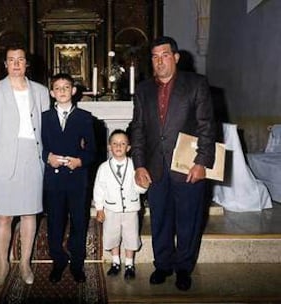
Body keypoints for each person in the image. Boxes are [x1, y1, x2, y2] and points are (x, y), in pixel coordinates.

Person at [130, 36, 216, 291]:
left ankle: (184, 267)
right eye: (155, 57)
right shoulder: (143, 90)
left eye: (165, 55)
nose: (159, 61)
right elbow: (138, 129)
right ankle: (163, 264)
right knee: (160, 218)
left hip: (187, 166)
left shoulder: (196, 84)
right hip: (155, 166)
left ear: (176, 57)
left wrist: (202, 162)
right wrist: (139, 164)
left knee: (188, 219)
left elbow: (207, 126)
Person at [0, 44, 50, 289]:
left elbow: (47, 129)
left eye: (20, 59)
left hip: (33, 157)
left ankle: (25, 263)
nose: (16, 63)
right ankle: (2, 264)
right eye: (11, 60)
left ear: (26, 63)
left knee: (30, 213)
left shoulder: (40, 91)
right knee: (4, 216)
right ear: (5, 64)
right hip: (4, 158)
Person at [42, 73, 96, 283]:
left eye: (66, 87)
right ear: (52, 92)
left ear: (74, 91)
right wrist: (48, 157)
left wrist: (80, 161)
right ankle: (58, 260)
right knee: (55, 221)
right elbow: (38, 145)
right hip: (53, 179)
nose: (62, 91)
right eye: (58, 87)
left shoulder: (85, 117)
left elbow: (93, 150)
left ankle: (77, 263)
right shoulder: (44, 118)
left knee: (79, 221)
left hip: (77, 179)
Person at [93, 129, 147, 280]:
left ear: (128, 148)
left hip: (130, 209)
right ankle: (115, 261)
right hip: (111, 209)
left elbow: (140, 188)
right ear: (109, 146)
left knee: (131, 236)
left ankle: (130, 264)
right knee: (112, 236)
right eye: (115, 143)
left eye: (122, 143)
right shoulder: (103, 168)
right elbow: (99, 189)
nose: (118, 146)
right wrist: (99, 208)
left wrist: (143, 185)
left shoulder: (135, 166)